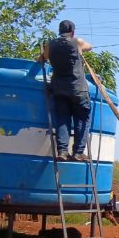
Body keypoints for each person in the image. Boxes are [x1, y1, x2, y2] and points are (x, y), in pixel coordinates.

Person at [40, 20, 93, 162]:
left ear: (59, 31)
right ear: (73, 32)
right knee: (82, 119)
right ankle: (78, 153)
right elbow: (90, 47)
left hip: (59, 90)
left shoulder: (50, 46)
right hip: (78, 89)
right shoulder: (78, 42)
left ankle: (62, 152)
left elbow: (41, 59)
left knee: (63, 120)